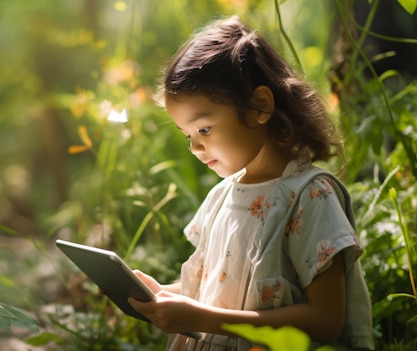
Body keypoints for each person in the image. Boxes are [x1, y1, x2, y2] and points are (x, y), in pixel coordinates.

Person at [127, 16, 374, 350]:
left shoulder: (309, 196)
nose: (194, 147)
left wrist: (202, 319)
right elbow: (218, 289)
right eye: (187, 134)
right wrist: (157, 294)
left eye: (204, 129)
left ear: (260, 106)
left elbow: (326, 321)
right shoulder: (222, 197)